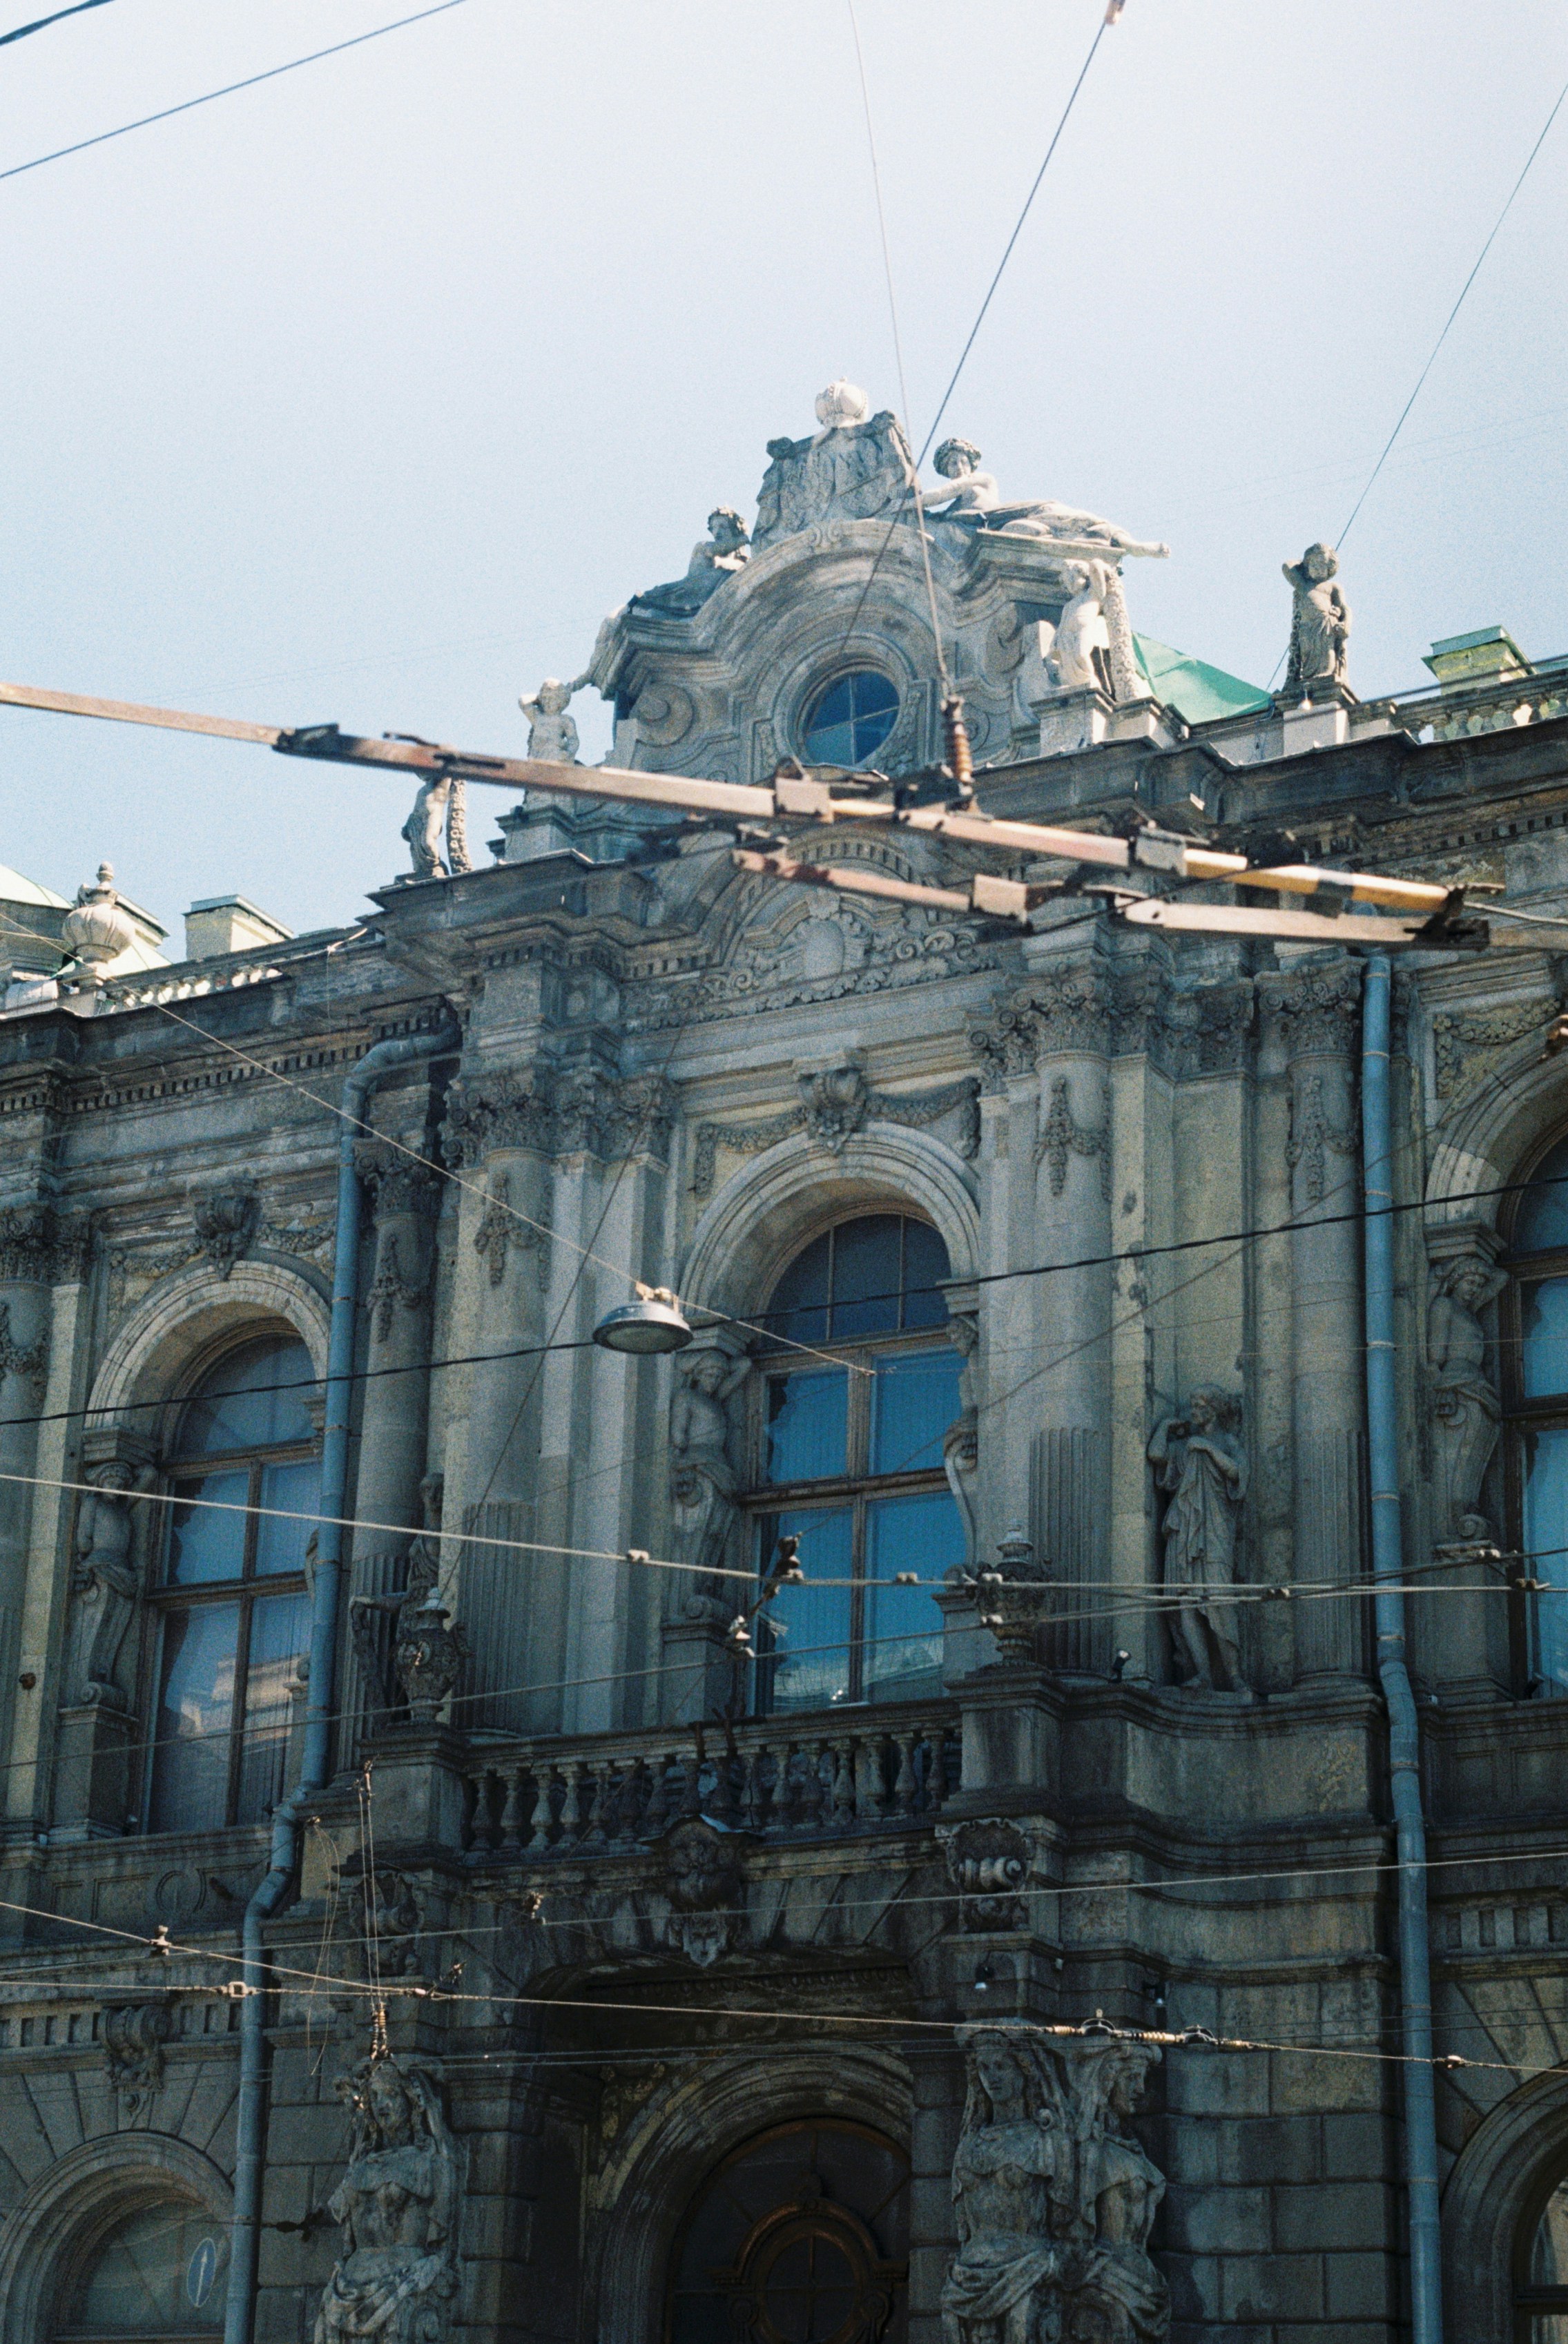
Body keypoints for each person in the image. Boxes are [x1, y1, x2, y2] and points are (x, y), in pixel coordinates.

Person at [1147, 1389, 1248, 1690]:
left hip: (1215, 1529)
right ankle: (1202, 1673)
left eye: (1198, 1406)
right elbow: (1156, 1455)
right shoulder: (1183, 1447)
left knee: (1219, 1600)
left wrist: (1206, 1448)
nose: (1193, 1411)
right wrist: (1165, 1428)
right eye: (1192, 1405)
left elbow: (1238, 1472)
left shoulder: (1226, 1443)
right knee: (1187, 1602)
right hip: (1184, 1529)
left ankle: (1234, 1676)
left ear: (1214, 1411)